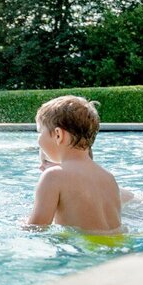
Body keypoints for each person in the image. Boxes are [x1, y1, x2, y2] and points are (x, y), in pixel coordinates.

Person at [26, 95, 122, 234]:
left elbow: (36, 228)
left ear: (58, 135)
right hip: (118, 245)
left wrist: (20, 223)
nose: (39, 139)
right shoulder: (108, 177)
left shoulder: (53, 176)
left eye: (40, 132)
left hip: (84, 250)